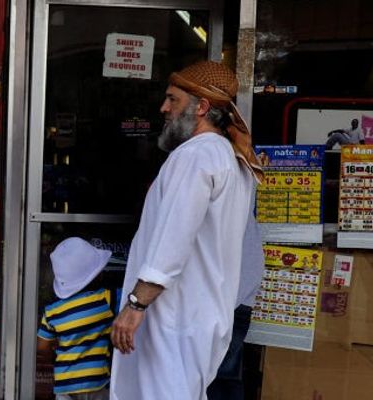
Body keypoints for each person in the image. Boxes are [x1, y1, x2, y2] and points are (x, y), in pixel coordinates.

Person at [109, 61, 262, 400]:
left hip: (174, 316)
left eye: (172, 100)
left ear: (202, 107)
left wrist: (135, 306)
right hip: (196, 316)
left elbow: (173, 239)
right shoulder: (228, 156)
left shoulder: (196, 155)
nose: (164, 108)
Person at [38, 237, 116, 400]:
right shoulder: (106, 299)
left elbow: (42, 346)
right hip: (97, 382)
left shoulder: (52, 311)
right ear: (94, 275)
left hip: (64, 384)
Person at [205, 198, 264, 399]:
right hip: (240, 296)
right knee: (226, 378)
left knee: (209, 381)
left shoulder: (216, 182)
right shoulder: (244, 181)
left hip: (218, 299)